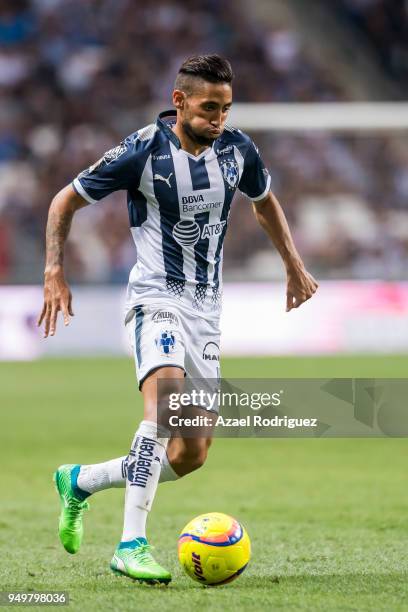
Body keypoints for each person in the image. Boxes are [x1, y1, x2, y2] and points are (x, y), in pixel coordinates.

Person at [38, 54, 318, 584]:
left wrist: (293, 265)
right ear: (180, 101)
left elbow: (264, 203)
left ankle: (81, 481)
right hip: (154, 298)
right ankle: (130, 543)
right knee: (162, 412)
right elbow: (63, 201)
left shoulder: (239, 150)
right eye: (209, 108)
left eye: (226, 109)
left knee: (191, 452)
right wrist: (54, 269)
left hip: (206, 312)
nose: (219, 119)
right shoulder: (142, 149)